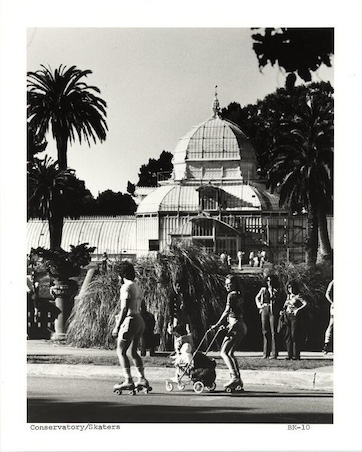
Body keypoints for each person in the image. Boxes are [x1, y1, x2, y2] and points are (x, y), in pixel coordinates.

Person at [112, 261, 150, 392]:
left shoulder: (125, 287)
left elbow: (124, 309)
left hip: (129, 320)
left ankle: (128, 380)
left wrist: (117, 326)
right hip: (139, 319)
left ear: (121, 275)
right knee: (133, 352)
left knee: (121, 351)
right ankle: (142, 378)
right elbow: (143, 307)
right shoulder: (137, 287)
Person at [211, 274, 247, 389]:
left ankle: (234, 377)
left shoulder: (231, 295)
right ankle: (238, 379)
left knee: (223, 352)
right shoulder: (239, 295)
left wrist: (217, 324)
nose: (226, 286)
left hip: (236, 326)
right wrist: (227, 325)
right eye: (226, 284)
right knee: (230, 353)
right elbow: (235, 313)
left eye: (229, 284)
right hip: (240, 325)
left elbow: (227, 311)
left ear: (234, 284)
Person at [255, 275, 279, 359]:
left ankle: (274, 353)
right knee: (265, 331)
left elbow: (279, 300)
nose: (269, 282)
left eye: (271, 280)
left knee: (273, 332)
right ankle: (265, 353)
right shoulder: (263, 290)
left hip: (273, 310)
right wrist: (260, 306)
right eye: (268, 280)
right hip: (265, 308)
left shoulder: (276, 290)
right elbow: (257, 298)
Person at [281, 280, 307, 360]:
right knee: (288, 335)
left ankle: (296, 355)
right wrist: (282, 310)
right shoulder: (288, 296)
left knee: (294, 334)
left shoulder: (298, 296)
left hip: (294, 316)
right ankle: (289, 354)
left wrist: (298, 310)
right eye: (289, 288)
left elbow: (305, 303)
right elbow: (285, 305)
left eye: (291, 287)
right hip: (287, 315)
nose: (290, 289)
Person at [168, 280, 193, 352]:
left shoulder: (184, 295)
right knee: (175, 330)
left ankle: (191, 346)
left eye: (179, 286)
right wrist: (171, 319)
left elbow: (189, 305)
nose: (178, 288)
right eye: (177, 286)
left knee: (188, 329)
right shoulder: (173, 296)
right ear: (175, 287)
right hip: (177, 316)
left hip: (185, 314)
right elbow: (170, 308)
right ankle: (177, 349)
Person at [323, 280, 334, 354]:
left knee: (331, 324)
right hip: (334, 306)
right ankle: (326, 345)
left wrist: (332, 302)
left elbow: (327, 294)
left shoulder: (332, 282)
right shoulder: (333, 282)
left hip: (333, 306)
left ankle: (326, 344)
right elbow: (327, 294)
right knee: (331, 324)